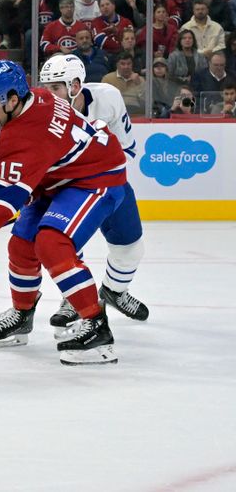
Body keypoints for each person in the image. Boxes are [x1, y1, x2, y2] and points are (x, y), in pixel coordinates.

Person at [0, 60, 127, 365]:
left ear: (13, 100)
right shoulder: (38, 97)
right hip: (59, 179)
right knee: (21, 243)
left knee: (51, 243)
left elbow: (6, 194)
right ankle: (22, 315)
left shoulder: (23, 135)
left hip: (97, 176)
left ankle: (97, 328)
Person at [38, 54, 148, 329]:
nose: (48, 95)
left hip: (111, 182)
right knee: (64, 246)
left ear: (75, 85)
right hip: (68, 188)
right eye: (45, 87)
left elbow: (128, 150)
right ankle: (73, 297)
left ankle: (115, 291)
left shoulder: (108, 98)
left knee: (131, 247)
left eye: (56, 88)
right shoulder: (42, 113)